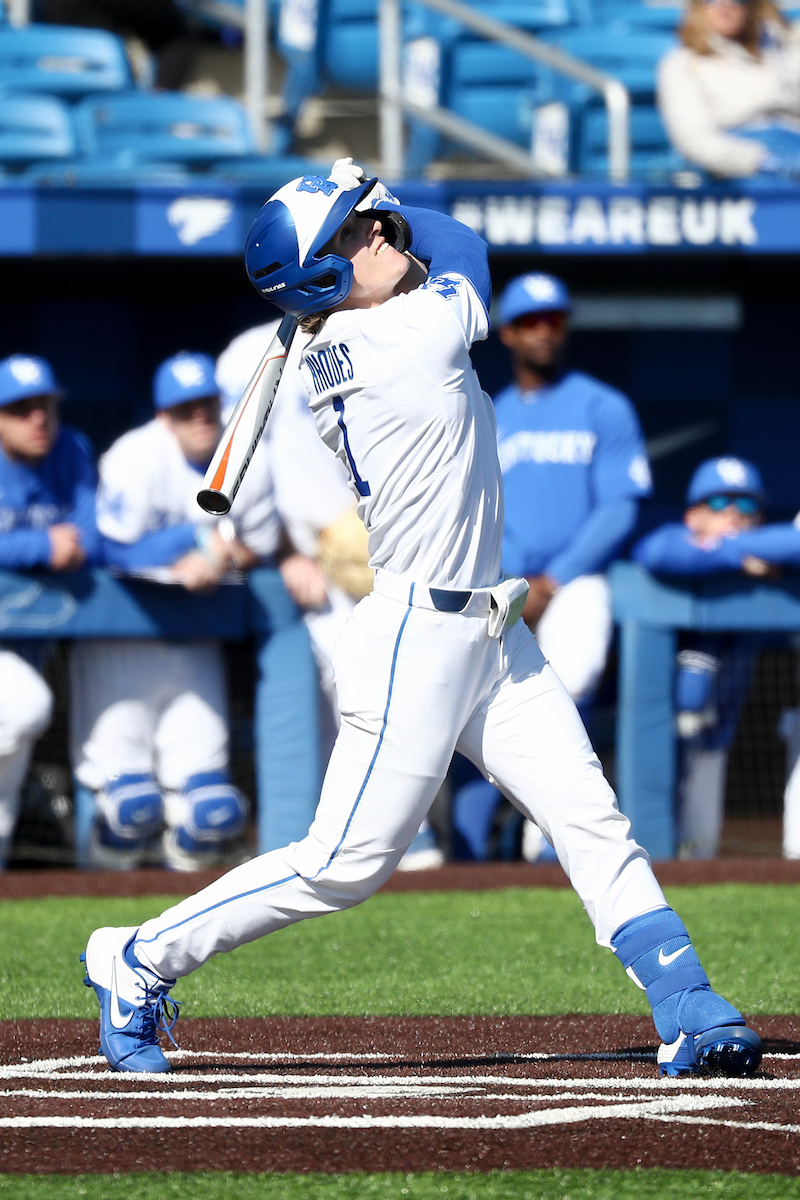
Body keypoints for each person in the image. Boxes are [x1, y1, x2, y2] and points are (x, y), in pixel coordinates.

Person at [81, 160, 761, 1082]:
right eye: (358, 233)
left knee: (589, 816)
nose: (382, 235)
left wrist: (353, 212)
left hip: (492, 631)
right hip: (414, 638)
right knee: (343, 865)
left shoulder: (356, 333)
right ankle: (136, 958)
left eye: (374, 224)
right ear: (320, 276)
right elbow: (464, 244)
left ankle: (686, 1002)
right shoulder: (407, 338)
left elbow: (416, 255)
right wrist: (389, 196)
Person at [216, 322, 444, 871]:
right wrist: (282, 549)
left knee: (409, 685)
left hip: (391, 543)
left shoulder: (384, 329)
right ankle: (379, 835)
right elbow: (248, 460)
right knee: (355, 690)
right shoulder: (250, 351)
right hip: (313, 549)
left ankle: (395, 829)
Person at [452, 272, 652, 863]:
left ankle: (548, 839)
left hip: (575, 579)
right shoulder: (486, 411)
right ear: (507, 333)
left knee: (574, 676)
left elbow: (620, 508)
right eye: (531, 322)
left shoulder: (602, 405)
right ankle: (472, 851)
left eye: (555, 321)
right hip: (499, 581)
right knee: (470, 701)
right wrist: (516, 582)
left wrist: (555, 578)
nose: (545, 332)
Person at [70, 351, 279, 871]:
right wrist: (196, 538)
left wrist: (223, 549)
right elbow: (110, 551)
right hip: (120, 647)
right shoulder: (135, 456)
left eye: (207, 404)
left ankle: (183, 930)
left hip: (195, 644)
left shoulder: (247, 454)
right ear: (163, 416)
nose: (201, 417)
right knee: (131, 808)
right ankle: (94, 907)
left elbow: (262, 545)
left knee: (214, 811)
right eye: (186, 409)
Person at [634, 455, 800, 859]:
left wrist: (730, 549)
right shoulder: (673, 540)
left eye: (745, 506)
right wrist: (738, 556)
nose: (733, 514)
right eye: (718, 504)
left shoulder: (771, 560)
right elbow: (652, 551)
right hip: (653, 734)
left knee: (697, 857)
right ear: (693, 515)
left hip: (718, 736)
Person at [0, 353, 100, 868]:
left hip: (30, 643)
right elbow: (58, 543)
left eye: (45, 405)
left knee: (5, 795)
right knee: (25, 705)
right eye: (20, 408)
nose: (38, 418)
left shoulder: (72, 450)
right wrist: (39, 546)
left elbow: (91, 538)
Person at [658, 0, 800, 179]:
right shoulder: (681, 63)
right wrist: (762, 161)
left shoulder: (785, 50)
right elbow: (695, 141)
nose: (724, 6)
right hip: (736, 177)